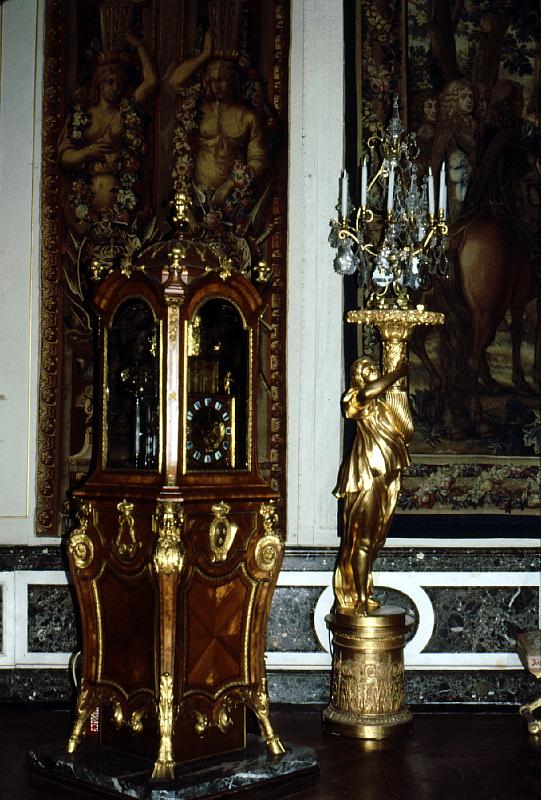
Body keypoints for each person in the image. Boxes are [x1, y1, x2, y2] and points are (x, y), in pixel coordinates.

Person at [333, 357, 413, 616]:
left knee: (377, 539)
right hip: (366, 476)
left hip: (387, 476)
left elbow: (405, 431)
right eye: (365, 369)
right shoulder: (356, 398)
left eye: (374, 367)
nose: (372, 370)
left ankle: (363, 589)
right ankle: (361, 600)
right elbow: (369, 391)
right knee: (362, 541)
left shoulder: (383, 407)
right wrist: (398, 372)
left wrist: (398, 390)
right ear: (356, 377)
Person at [58, 32, 158, 231]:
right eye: (110, 82)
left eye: (119, 83)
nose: (115, 87)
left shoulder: (125, 110)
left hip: (121, 198)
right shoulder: (83, 115)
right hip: (86, 200)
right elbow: (63, 157)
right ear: (99, 82)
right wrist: (87, 152)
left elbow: (152, 82)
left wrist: (139, 45)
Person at [166, 31, 268, 210]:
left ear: (233, 81)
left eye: (222, 80)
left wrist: (230, 185)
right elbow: (174, 82)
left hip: (234, 199)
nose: (217, 86)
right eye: (213, 80)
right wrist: (204, 57)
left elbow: (258, 159)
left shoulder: (247, 117)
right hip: (196, 195)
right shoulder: (198, 107)